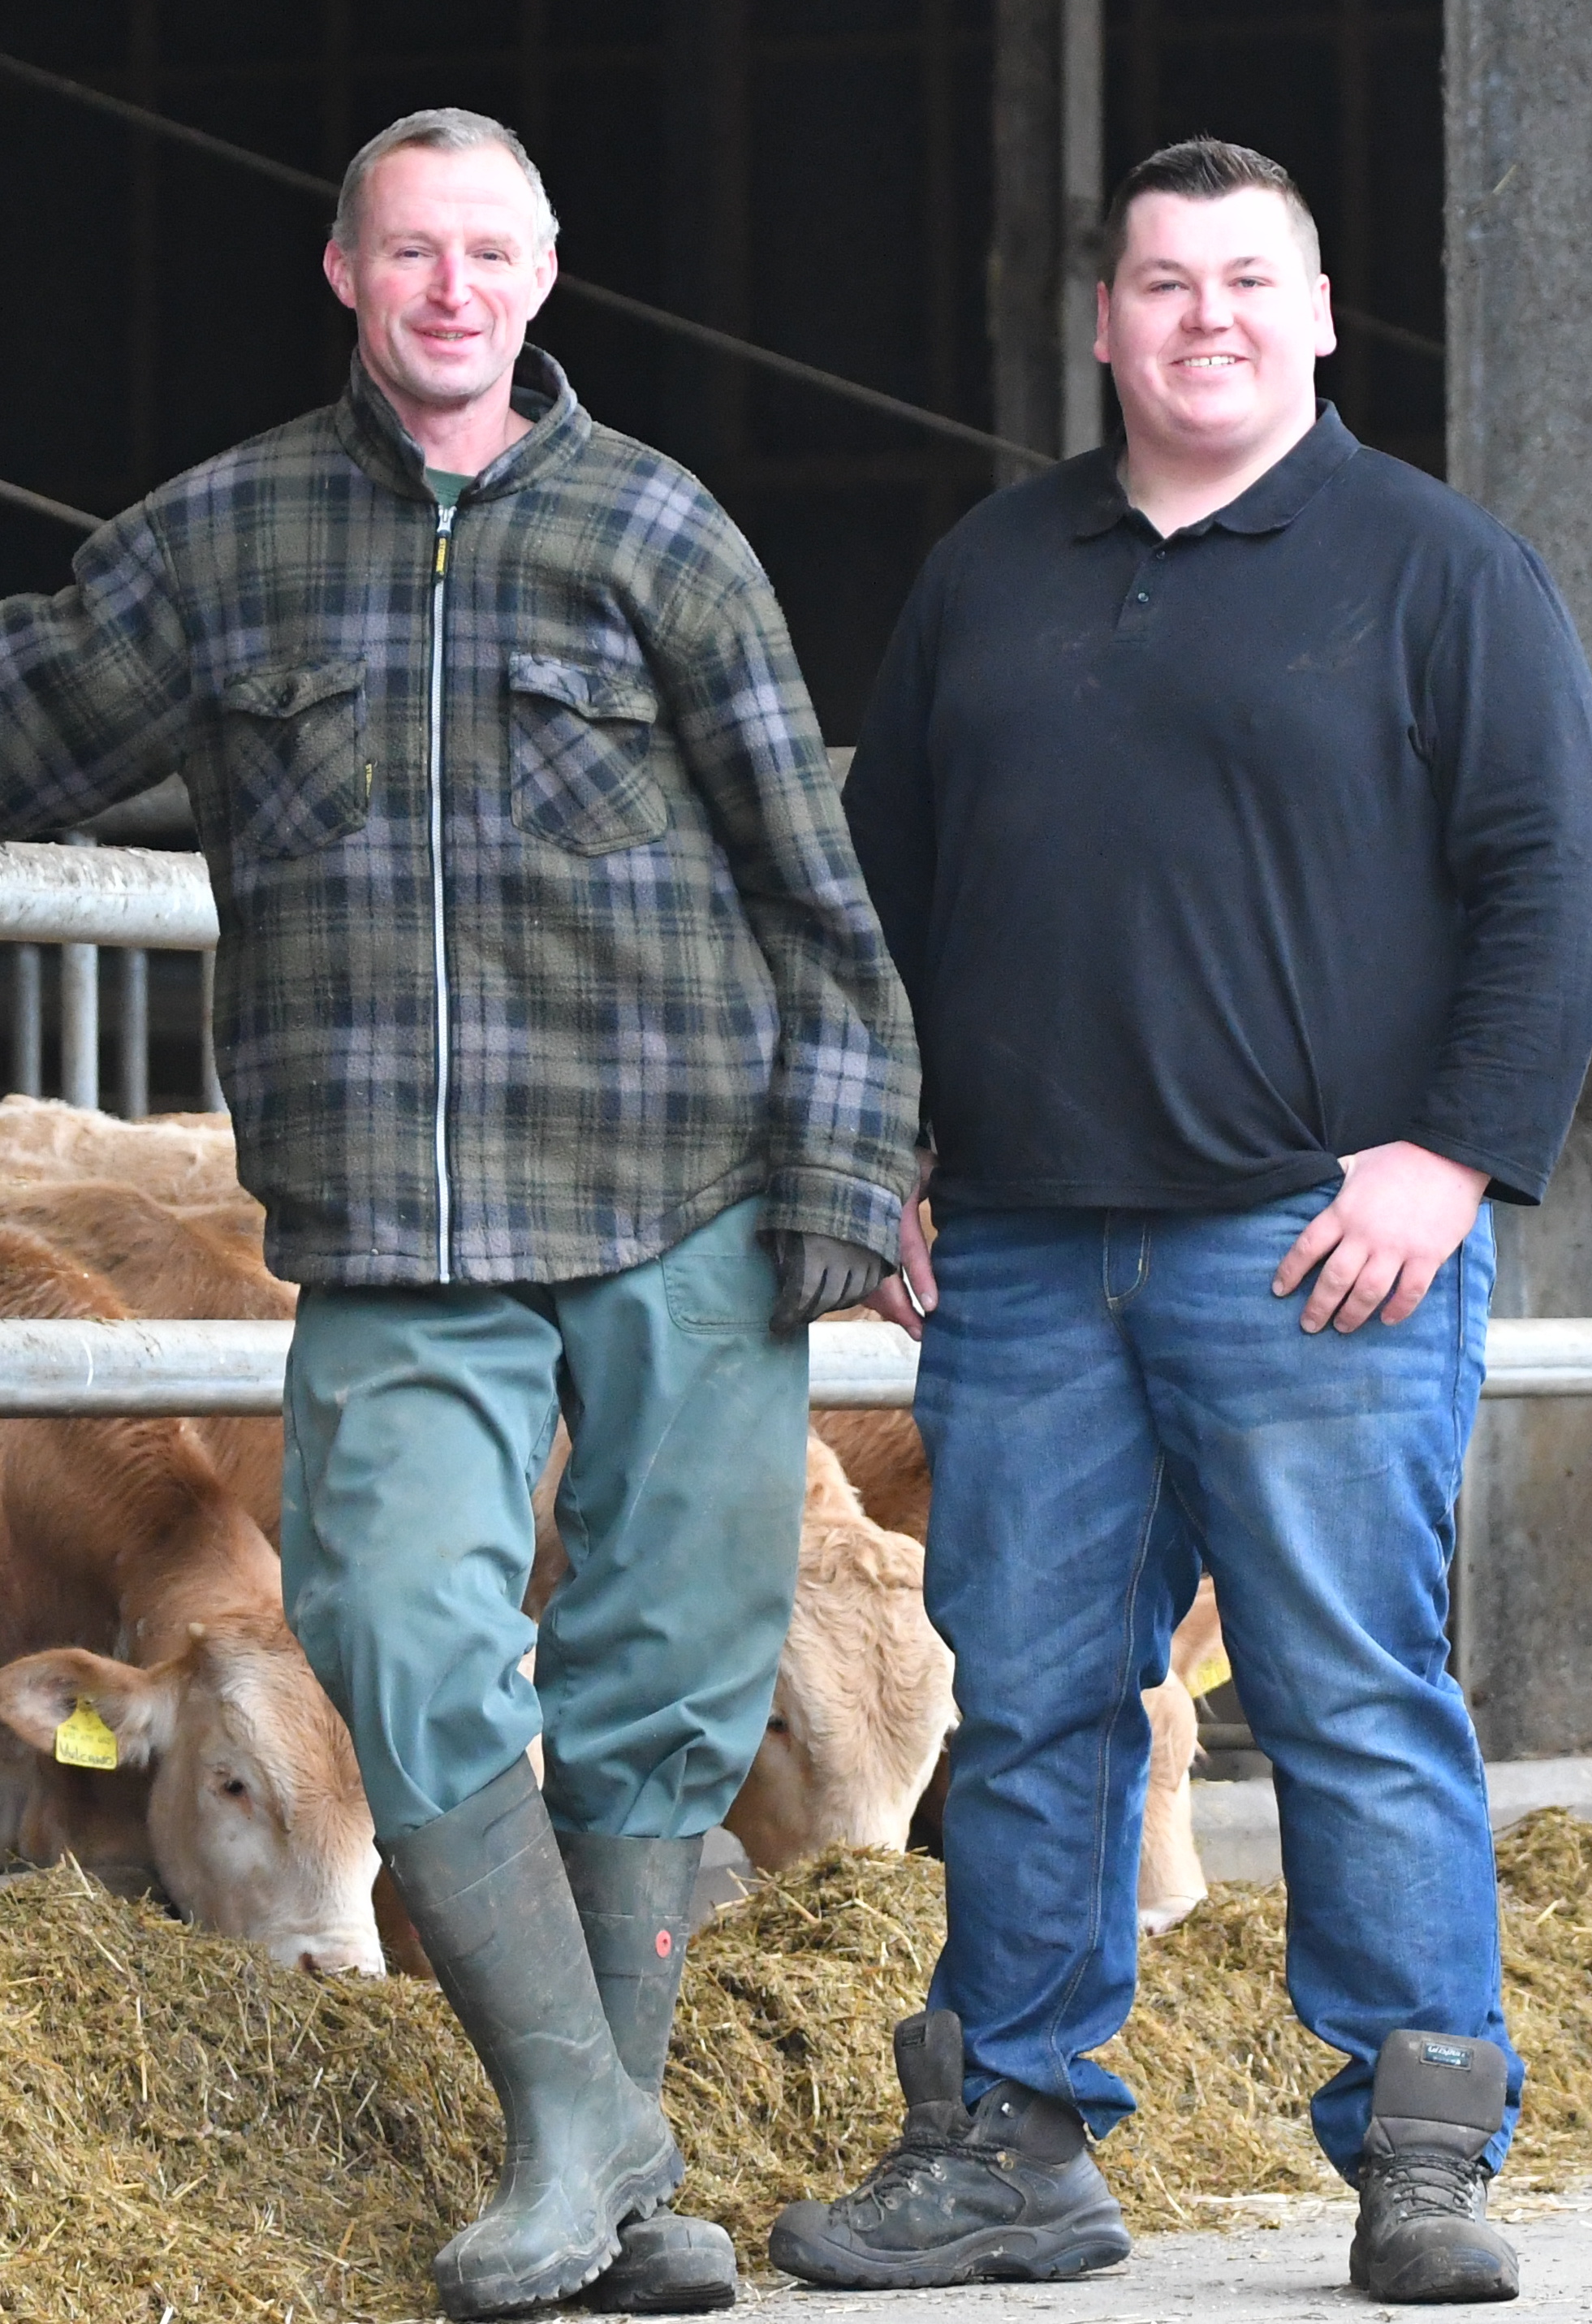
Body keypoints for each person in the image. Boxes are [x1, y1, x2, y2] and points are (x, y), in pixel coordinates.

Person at [0, 109, 919, 2317]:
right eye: (409, 253)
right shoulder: (223, 544)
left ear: (543, 276)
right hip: (397, 1232)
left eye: (487, 255)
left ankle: (593, 2157)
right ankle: (597, 2133)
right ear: (345, 276)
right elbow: (27, 721)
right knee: (406, 1641)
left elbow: (819, 884)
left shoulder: (661, 537)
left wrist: (846, 1167)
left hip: (684, 1211)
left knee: (668, 1682)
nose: (449, 291)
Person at [774, 137, 1592, 2304]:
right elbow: (879, 897)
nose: (1207, 317)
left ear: (1322, 314)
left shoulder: (1439, 570)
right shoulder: (992, 571)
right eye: (1165, 282)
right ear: (1106, 318)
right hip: (1035, 1254)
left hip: (1311, 1254)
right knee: (1037, 1695)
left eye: (1251, 280)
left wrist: (1448, 1158)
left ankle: (1423, 2157)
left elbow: (1556, 882)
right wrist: (890, 1161)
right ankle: (1015, 2145)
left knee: (1350, 1692)